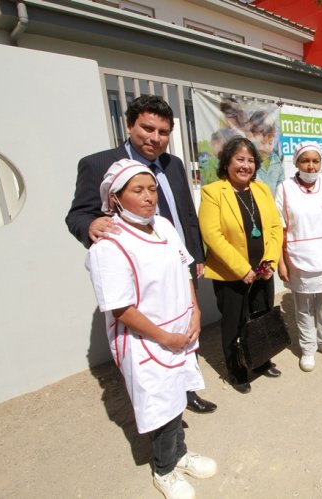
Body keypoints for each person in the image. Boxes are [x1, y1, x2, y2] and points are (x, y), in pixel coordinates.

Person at [65, 95, 217, 415]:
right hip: (139, 273)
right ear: (130, 125)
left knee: (186, 325)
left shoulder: (173, 164)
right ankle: (159, 405)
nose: (154, 138)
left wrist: (196, 255)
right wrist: (91, 223)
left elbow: (185, 213)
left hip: (175, 262)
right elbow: (77, 216)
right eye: (147, 128)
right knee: (150, 340)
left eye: (163, 132)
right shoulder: (98, 164)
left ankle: (186, 389)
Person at [86, 159, 216, 499]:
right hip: (146, 340)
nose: (148, 197)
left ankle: (180, 454)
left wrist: (196, 310)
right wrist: (164, 337)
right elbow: (121, 308)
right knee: (160, 406)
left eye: (152, 189)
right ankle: (164, 469)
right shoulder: (109, 246)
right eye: (137, 190)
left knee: (178, 397)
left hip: (181, 329)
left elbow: (184, 269)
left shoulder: (164, 227)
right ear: (114, 198)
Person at [198, 137, 284, 393]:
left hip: (263, 271)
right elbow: (212, 235)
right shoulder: (213, 192)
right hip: (231, 274)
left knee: (261, 316)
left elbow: (274, 227)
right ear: (227, 162)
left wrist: (270, 261)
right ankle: (236, 371)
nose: (245, 165)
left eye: (250, 160)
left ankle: (260, 360)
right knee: (234, 323)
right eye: (239, 159)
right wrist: (242, 269)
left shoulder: (262, 189)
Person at [275, 142, 322, 372]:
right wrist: (281, 263)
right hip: (300, 261)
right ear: (297, 163)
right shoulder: (285, 188)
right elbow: (278, 229)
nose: (311, 166)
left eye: (315, 161)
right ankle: (308, 348)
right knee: (305, 309)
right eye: (305, 161)